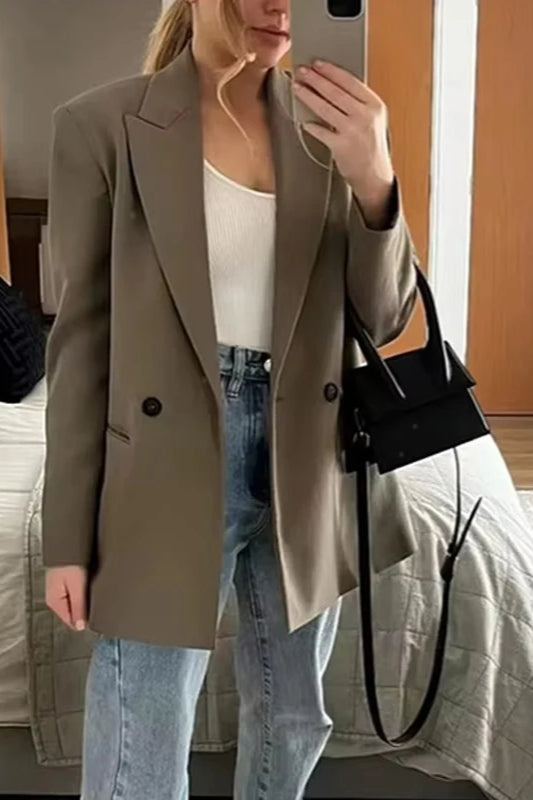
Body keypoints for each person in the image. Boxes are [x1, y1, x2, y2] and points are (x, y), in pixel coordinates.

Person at [42, 0, 418, 797]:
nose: (278, 4)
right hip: (165, 456)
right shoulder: (101, 126)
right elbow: (80, 343)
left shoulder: (330, 127)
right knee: (143, 726)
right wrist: (67, 535)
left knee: (294, 715)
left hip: (309, 452)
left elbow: (382, 319)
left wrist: (375, 178)